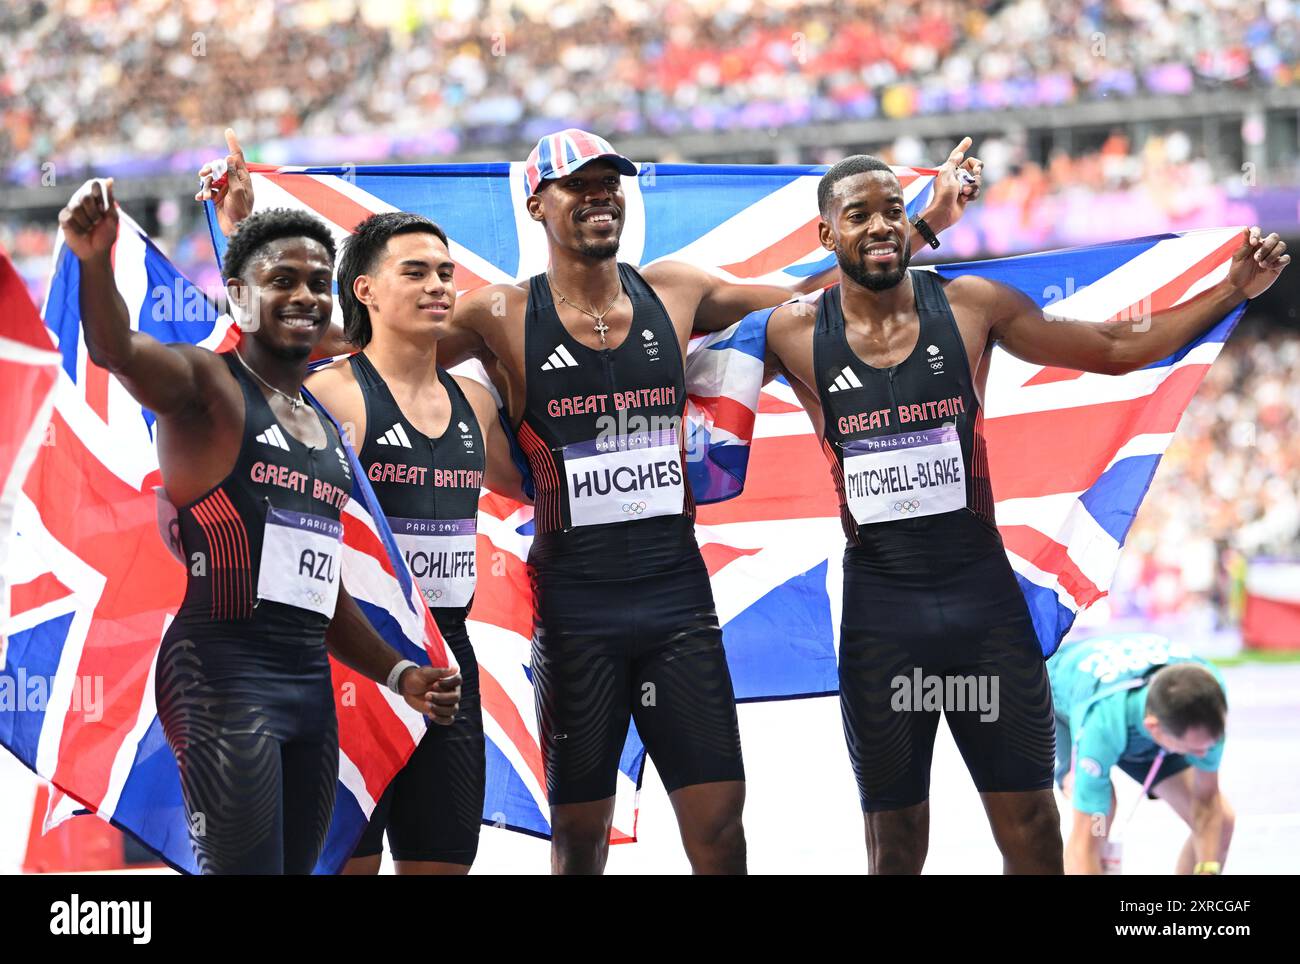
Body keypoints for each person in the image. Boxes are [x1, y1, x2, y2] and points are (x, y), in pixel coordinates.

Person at [201, 127, 980, 874]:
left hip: (679, 604)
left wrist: (932, 220)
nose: (600, 197)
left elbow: (819, 292)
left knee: (719, 826)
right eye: (579, 187)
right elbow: (374, 342)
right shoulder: (501, 313)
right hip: (576, 615)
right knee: (578, 840)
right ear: (537, 203)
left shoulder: (675, 290)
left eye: (610, 185)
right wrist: (244, 232)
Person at [761, 153, 1288, 873]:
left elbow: (1113, 347)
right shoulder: (790, 331)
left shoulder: (973, 305)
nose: (882, 226)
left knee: (1035, 831)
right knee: (894, 850)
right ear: (827, 234)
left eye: (893, 209)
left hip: (984, 610)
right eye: (861, 215)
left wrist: (1232, 288)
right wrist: (930, 222)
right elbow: (691, 330)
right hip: (882, 620)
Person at [58, 178, 461, 875]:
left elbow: (317, 587)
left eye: (316, 281)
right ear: (239, 297)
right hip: (218, 677)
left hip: (307, 686)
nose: (305, 295)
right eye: (282, 280)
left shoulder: (325, 427)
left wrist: (397, 672)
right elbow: (116, 348)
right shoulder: (206, 388)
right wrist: (94, 261)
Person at [307, 212, 524, 874]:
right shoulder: (331, 394)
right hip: (353, 662)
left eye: (445, 273)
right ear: (366, 290)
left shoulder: (474, 403)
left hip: (448, 660)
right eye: (416, 272)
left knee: (444, 862)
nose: (438, 286)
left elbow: (536, 484)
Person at [1049, 632, 1232, 875]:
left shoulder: (1209, 699)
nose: (1205, 754)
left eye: (1210, 744)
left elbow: (1207, 803)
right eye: (1195, 749)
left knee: (1222, 821)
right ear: (1155, 729)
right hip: (1066, 701)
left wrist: (1207, 869)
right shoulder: (1102, 724)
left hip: (1147, 708)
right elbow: (1085, 845)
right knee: (1098, 821)